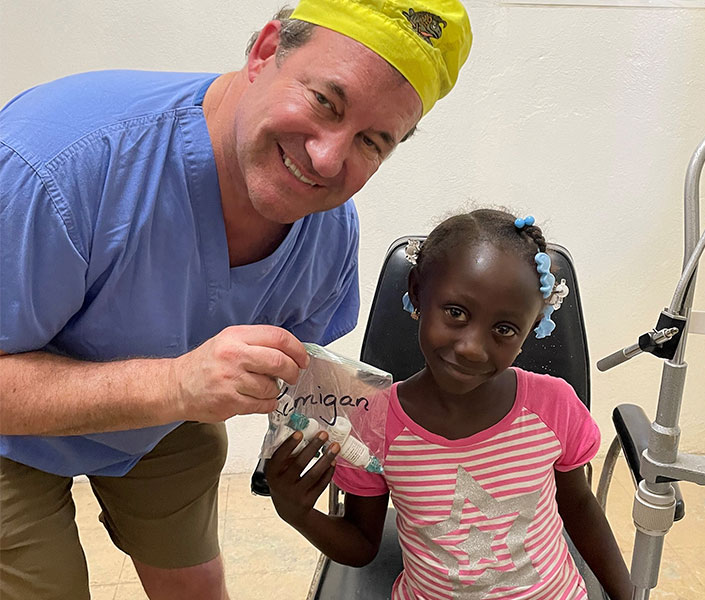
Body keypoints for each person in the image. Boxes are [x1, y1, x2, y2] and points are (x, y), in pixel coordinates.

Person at [0, 2, 471, 599]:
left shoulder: (326, 232)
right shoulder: (51, 167)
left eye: (373, 141)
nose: (327, 159)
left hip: (162, 423)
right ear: (265, 50)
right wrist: (177, 385)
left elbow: (300, 378)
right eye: (326, 101)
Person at [266, 208, 634, 599]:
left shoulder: (553, 405)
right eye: (456, 313)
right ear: (417, 293)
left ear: (529, 331)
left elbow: (578, 505)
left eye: (504, 329)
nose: (473, 348)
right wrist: (296, 513)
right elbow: (361, 544)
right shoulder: (376, 422)